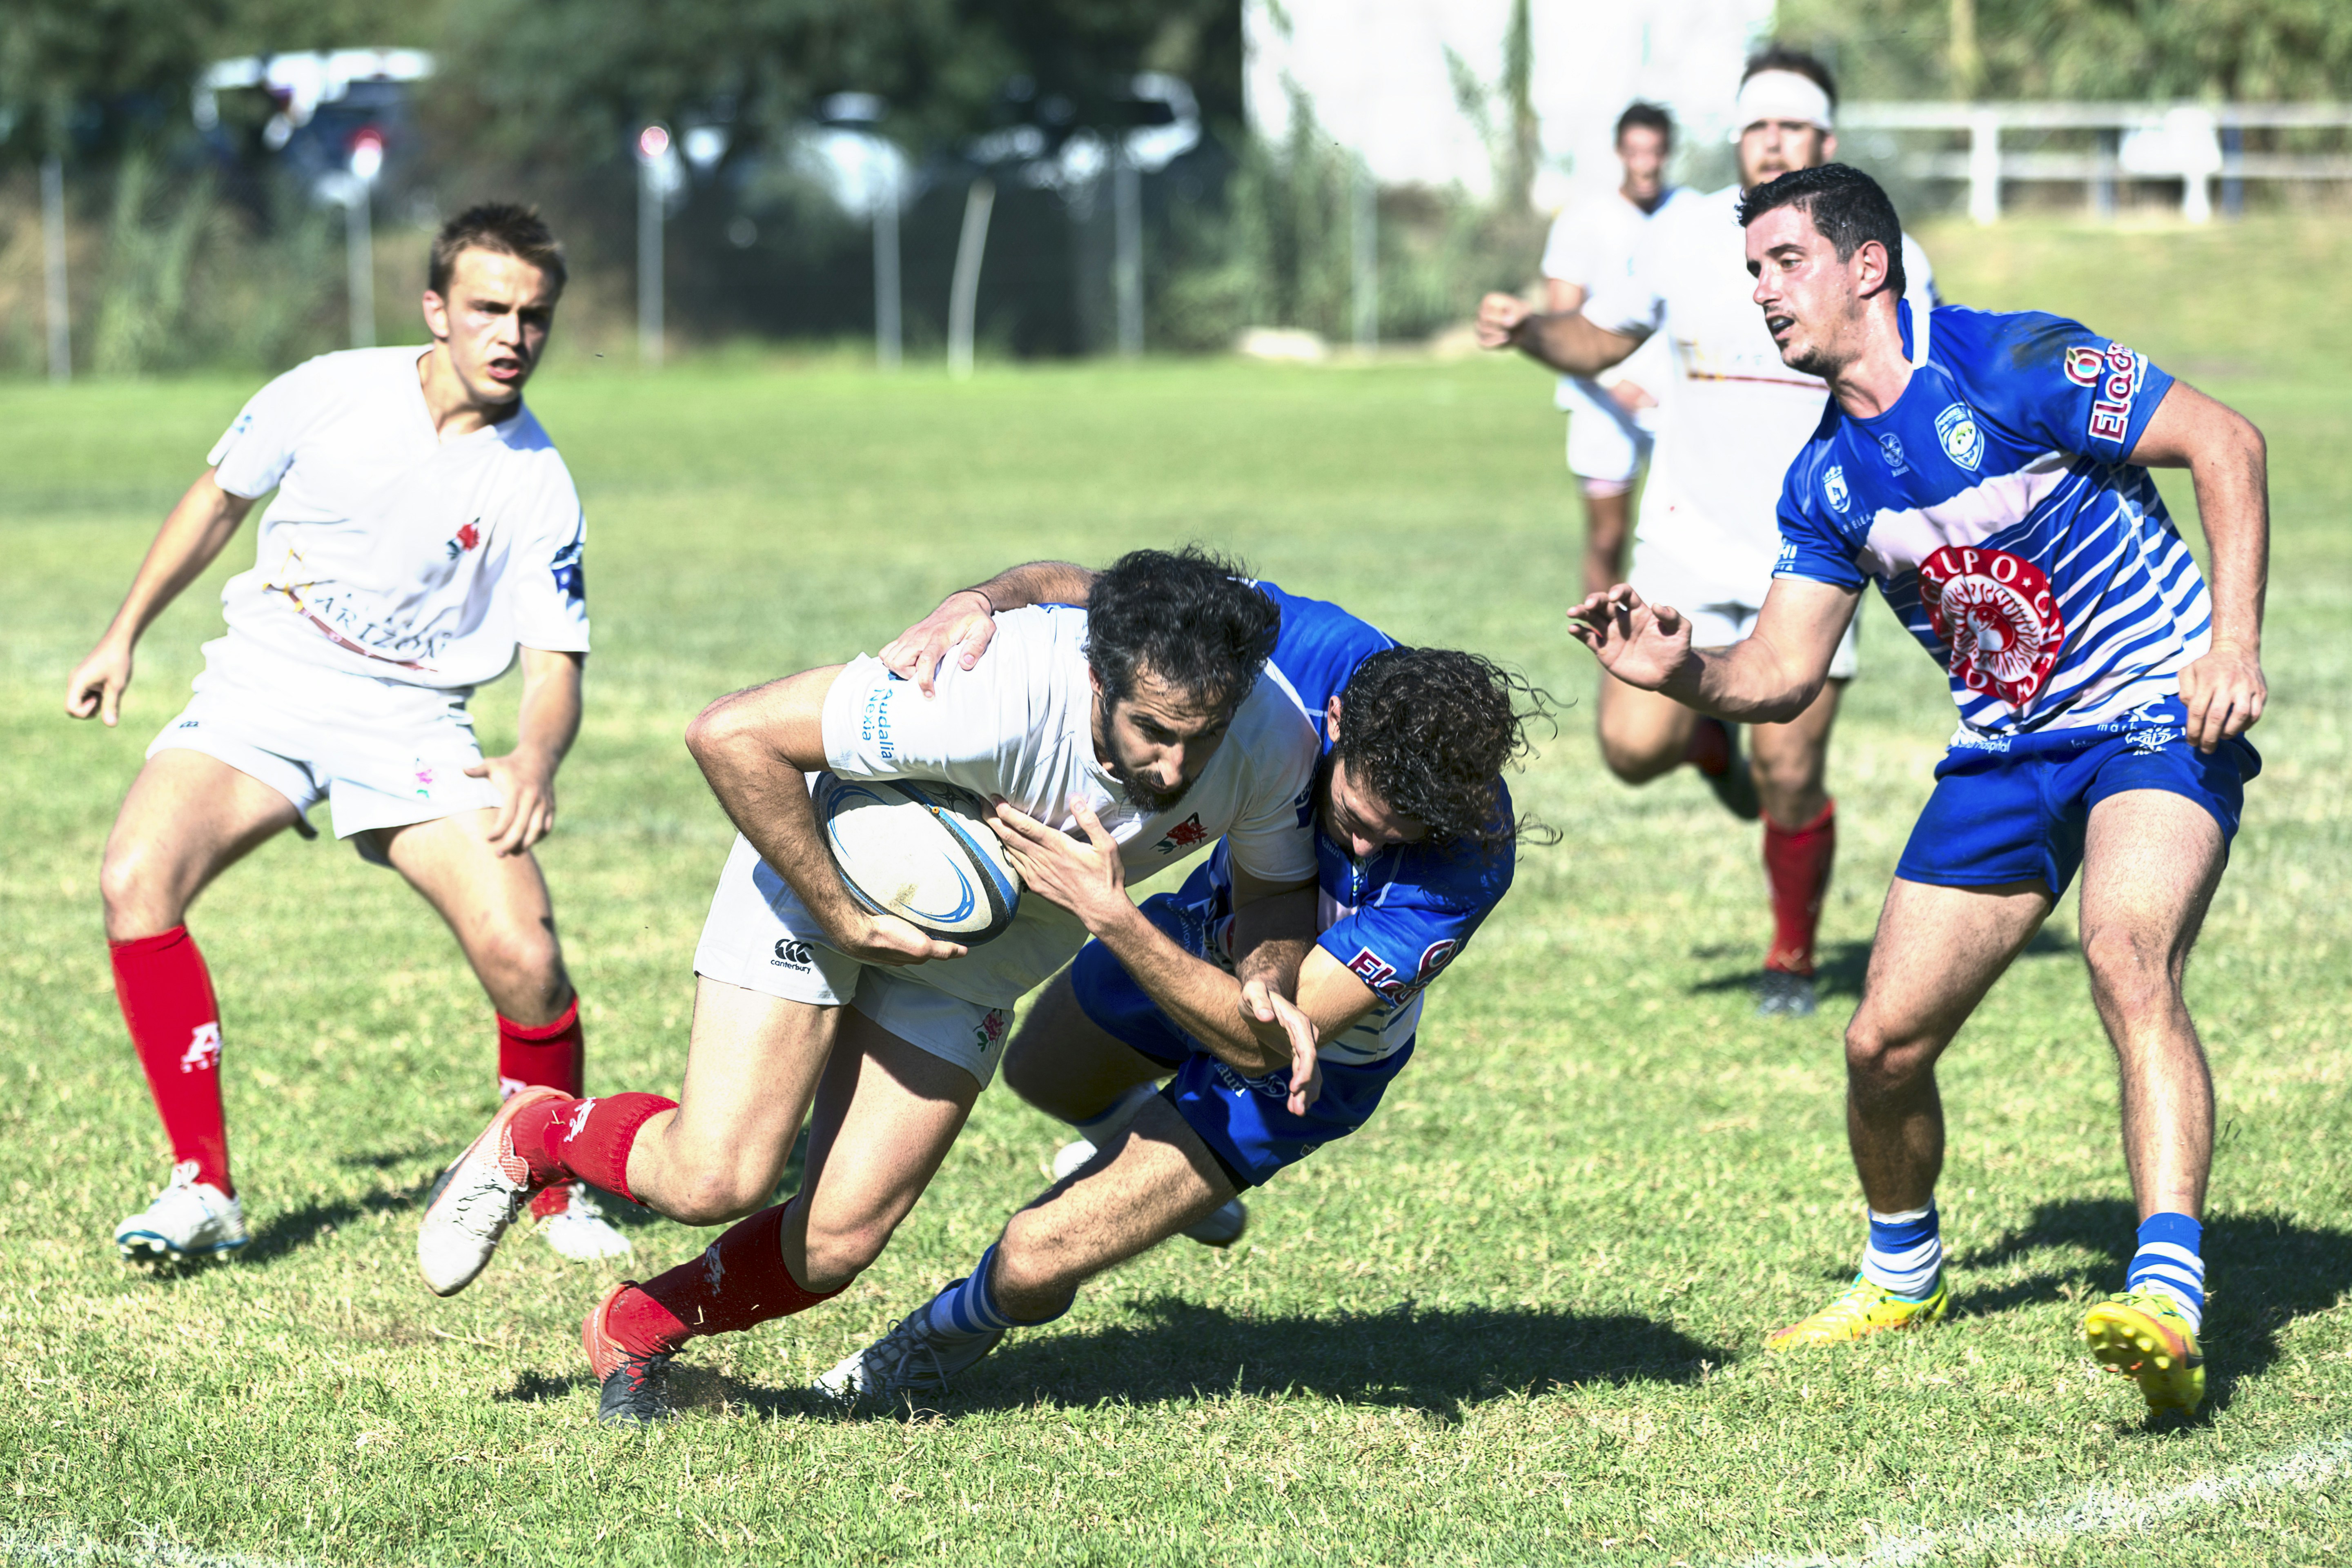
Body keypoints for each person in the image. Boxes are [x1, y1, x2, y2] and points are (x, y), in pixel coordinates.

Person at [1568, 163, 2266, 1416]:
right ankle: (1906, 1273)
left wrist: (2232, 645)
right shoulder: (1827, 476)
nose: (1766, 295)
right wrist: (1683, 673)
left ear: (1868, 265)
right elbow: (1781, 672)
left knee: (2125, 948)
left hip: (2154, 716)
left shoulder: (2014, 365)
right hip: (2006, 754)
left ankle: (2167, 1290)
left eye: (1787, 264)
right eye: (1754, 274)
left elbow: (2227, 440)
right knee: (1881, 1042)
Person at [416, 549, 1325, 1423]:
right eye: (1153, 734)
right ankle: (538, 1128)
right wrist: (843, 912)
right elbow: (729, 733)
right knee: (715, 1177)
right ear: (1098, 680)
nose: (1173, 769)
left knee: (837, 1243)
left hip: (980, 961)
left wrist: (1269, 973)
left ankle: (636, 1328)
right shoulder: (983, 690)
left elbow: (1278, 884)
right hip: (821, 878)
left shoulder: (1268, 737)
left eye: (1198, 741)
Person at [813, 566, 1532, 1402]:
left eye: (1401, 836)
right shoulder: (1309, 648)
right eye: (1362, 821)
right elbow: (1110, 593)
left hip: (1302, 1060)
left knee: (1032, 1257)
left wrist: (1110, 915)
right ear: (1338, 723)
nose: (1369, 852)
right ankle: (1159, 1167)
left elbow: (1261, 1043)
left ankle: (935, 1341)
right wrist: (975, 602)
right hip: (1207, 928)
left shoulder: (1468, 859)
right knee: (1041, 1071)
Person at [67, 204, 628, 1267]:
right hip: (264, 688)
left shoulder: (536, 481)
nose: (513, 335)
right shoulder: (328, 389)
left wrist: (533, 757)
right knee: (136, 878)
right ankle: (204, 1188)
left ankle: (552, 1185)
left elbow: (557, 663)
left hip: (409, 718)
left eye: (536, 317)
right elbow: (216, 501)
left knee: (525, 954)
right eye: (489, 310)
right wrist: (120, 635)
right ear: (437, 310)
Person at [1481, 47, 1938, 1018]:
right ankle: (1709, 748)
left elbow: (1917, 384)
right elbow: (1597, 340)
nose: (1770, 140)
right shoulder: (1686, 234)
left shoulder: (1877, 247)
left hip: (1814, 551)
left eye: (1791, 126)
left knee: (1791, 767)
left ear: (1825, 141)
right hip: (1684, 538)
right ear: (1736, 138)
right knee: (1632, 747)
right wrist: (1530, 330)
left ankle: (1789, 956)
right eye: (1754, 125)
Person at [1542, 102, 1685, 602]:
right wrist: (1613, 383)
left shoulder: (1691, 214)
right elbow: (1562, 320)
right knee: (1608, 538)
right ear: (1620, 153)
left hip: (1677, 406)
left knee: (1683, 541)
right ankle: (1605, 654)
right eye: (1635, 151)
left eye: (1655, 151)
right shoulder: (1585, 219)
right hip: (1602, 402)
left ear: (1669, 152)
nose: (1645, 163)